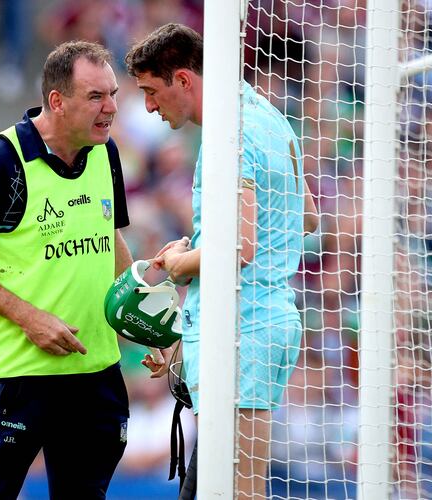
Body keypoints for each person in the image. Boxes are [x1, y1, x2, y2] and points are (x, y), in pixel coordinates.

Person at [124, 23, 319, 499]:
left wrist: (179, 262)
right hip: (253, 325)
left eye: (152, 91)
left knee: (241, 490)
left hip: (246, 333)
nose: (149, 106)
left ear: (184, 81)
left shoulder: (228, 134)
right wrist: (200, 246)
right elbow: (307, 216)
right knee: (210, 487)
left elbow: (239, 249)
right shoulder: (268, 117)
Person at [0, 41, 133, 499]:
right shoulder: (0, 161)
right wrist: (30, 317)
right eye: (96, 97)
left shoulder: (106, 153)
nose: (111, 108)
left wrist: (139, 315)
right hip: (19, 377)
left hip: (95, 372)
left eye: (114, 94)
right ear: (57, 101)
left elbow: (110, 238)